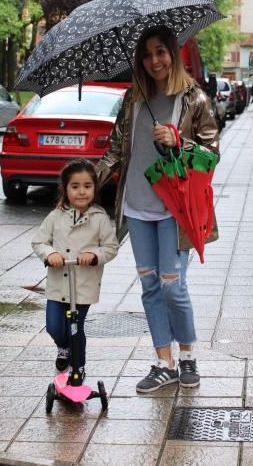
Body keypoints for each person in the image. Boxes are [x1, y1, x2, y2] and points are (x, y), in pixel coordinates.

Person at [96, 25, 219, 394]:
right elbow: (115, 150)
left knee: (172, 287)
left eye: (160, 51)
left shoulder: (194, 98)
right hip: (136, 204)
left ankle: (187, 356)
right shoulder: (133, 97)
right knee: (150, 286)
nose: (154, 61)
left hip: (174, 209)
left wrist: (177, 141)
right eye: (147, 54)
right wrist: (83, 185)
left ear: (173, 54)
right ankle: (162, 362)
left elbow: (212, 154)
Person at [32, 159, 119, 376]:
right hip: (58, 284)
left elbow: (111, 247)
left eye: (87, 186)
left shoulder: (99, 219)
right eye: (75, 186)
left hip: (83, 285)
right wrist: (50, 253)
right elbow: (39, 241)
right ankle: (64, 349)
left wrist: (95, 255)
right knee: (54, 327)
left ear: (95, 189)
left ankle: (79, 368)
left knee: (75, 327)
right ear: (65, 188)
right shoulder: (56, 216)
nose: (82, 192)